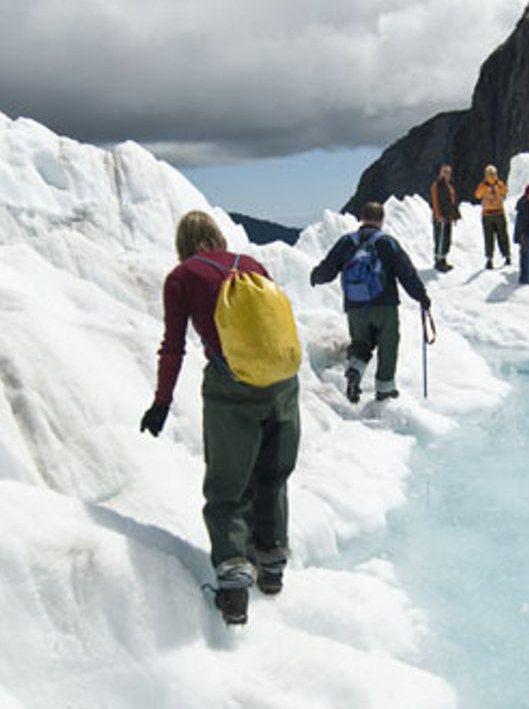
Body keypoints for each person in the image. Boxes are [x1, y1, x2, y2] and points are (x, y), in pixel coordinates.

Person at [140, 210, 300, 625]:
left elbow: (173, 347)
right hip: (282, 385)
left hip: (232, 391)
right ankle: (272, 568)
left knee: (228, 485)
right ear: (216, 236)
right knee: (272, 476)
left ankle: (232, 589)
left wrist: (161, 403)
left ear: (184, 243)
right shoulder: (251, 265)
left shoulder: (182, 277)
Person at [310, 201, 430, 403]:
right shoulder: (387, 243)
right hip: (385, 306)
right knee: (388, 346)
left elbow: (328, 269)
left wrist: (316, 276)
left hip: (355, 307)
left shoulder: (347, 242)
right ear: (381, 220)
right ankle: (384, 390)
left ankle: (355, 370)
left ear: (362, 218)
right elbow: (406, 273)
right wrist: (422, 297)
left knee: (361, 344)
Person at [474, 164, 511, 269]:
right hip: (489, 213)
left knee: (501, 235)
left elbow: (505, 191)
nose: (492, 176)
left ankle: (505, 255)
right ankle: (491, 258)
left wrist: (497, 188)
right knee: (491, 236)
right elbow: (478, 194)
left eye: (493, 174)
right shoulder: (483, 185)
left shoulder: (499, 184)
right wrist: (487, 188)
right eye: (490, 174)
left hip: (497, 212)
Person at [430, 163, 460, 272]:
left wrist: (455, 215)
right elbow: (435, 201)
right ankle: (438, 261)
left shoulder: (449, 187)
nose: (446, 175)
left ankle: (443, 259)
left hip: (448, 217)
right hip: (440, 218)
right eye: (444, 172)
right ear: (440, 173)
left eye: (448, 172)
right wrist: (438, 216)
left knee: (447, 239)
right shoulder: (436, 185)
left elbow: (452, 203)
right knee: (440, 239)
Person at [513, 185, 529, 284]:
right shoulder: (524, 205)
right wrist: (521, 235)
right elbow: (521, 222)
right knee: (526, 255)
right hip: (524, 234)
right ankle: (525, 277)